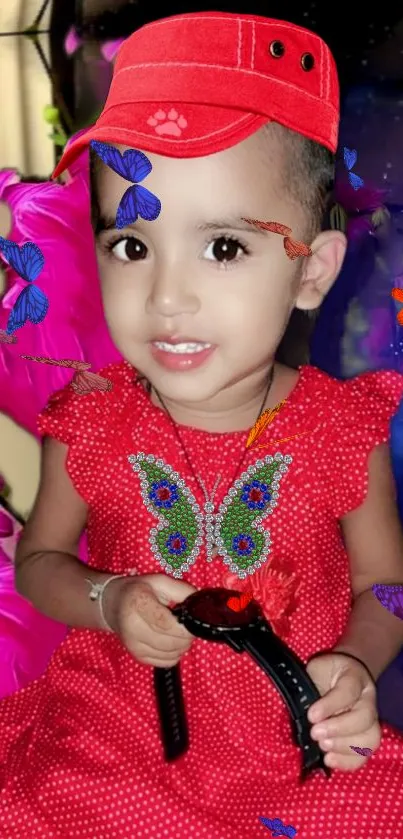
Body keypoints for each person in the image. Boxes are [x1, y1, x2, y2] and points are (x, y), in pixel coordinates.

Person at [1, 11, 403, 838]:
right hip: (113, 741)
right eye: (132, 245)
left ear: (310, 271)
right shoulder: (88, 421)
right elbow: (40, 561)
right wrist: (108, 599)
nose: (166, 296)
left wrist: (354, 667)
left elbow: (385, 586)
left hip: (297, 742)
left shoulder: (340, 428)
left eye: (221, 247)